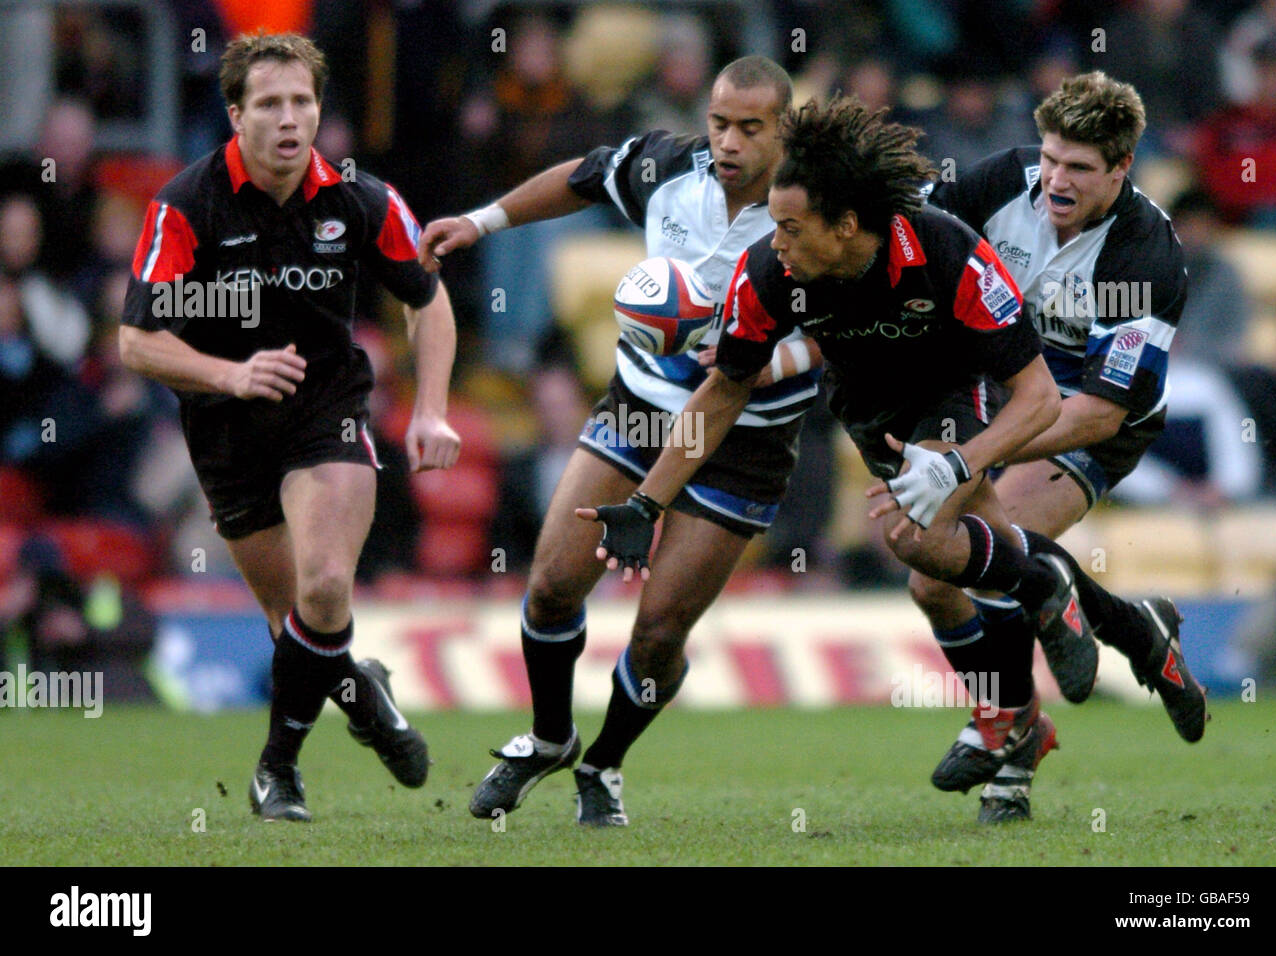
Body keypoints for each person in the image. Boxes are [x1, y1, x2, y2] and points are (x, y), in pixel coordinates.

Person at [578, 95, 1096, 826]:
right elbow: (722, 392)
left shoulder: (946, 250)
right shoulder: (769, 272)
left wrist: (957, 465)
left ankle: (1013, 702)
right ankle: (1028, 664)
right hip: (867, 410)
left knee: (915, 540)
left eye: (790, 227)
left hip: (950, 391)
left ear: (847, 226)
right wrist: (646, 503)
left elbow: (1040, 399)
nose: (775, 239)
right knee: (937, 579)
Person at [419, 56, 822, 827]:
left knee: (660, 629)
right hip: (639, 408)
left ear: (785, 129)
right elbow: (580, 176)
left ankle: (604, 765)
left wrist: (783, 358)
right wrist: (481, 220)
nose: (729, 142)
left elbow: (859, 310)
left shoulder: (818, 204)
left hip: (746, 435)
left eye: (750, 128)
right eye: (719, 123)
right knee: (551, 584)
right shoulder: (668, 168)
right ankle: (548, 737)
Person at [119, 33, 461, 821]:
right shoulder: (185, 205)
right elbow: (135, 339)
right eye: (270, 103)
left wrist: (435, 406)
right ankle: (361, 692)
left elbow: (428, 298)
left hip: (325, 412)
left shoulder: (360, 198)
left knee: (325, 584)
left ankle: (278, 770)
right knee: (298, 629)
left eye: (302, 102)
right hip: (227, 431)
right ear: (236, 114)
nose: (289, 119)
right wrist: (229, 375)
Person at [916, 71, 1208, 821]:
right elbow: (918, 249)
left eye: (1079, 167)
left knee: (987, 544)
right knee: (931, 578)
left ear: (1122, 168)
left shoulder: (1145, 255)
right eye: (1050, 159)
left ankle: (1011, 753)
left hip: (1091, 417)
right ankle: (1132, 632)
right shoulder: (1002, 181)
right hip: (1000, 392)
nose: (1055, 179)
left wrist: (971, 454)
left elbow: (1100, 411)